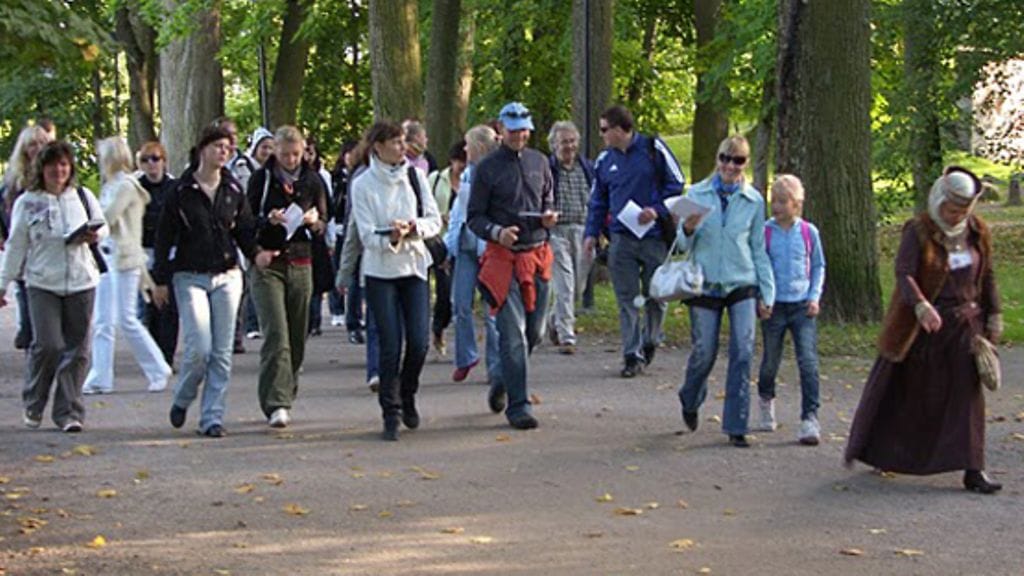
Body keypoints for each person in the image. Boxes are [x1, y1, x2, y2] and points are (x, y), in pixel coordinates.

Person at [845, 167, 1003, 494]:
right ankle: (884, 452)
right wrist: (920, 305)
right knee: (907, 392)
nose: (957, 215)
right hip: (926, 328)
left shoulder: (976, 231)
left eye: (963, 209)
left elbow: (987, 275)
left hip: (965, 329)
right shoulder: (918, 231)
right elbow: (904, 274)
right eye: (952, 208)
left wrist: (995, 313)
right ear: (939, 200)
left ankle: (974, 469)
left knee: (968, 397)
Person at [152, 125, 264, 438]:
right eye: (218, 146)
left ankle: (212, 417)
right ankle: (184, 396)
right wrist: (160, 279)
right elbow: (164, 238)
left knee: (222, 351)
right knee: (199, 349)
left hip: (228, 275)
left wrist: (256, 253)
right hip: (189, 276)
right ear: (202, 149)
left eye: (228, 147)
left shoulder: (233, 189)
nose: (224, 152)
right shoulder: (181, 191)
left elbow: (244, 229)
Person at [676, 135, 775, 448]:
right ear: (717, 159)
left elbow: (759, 248)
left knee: (743, 351)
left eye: (738, 160)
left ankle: (736, 424)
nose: (730, 166)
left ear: (746, 164)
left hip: (742, 282)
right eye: (725, 158)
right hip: (704, 283)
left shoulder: (755, 201)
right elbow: (680, 245)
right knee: (704, 350)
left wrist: (767, 292)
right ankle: (690, 398)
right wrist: (688, 228)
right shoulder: (696, 193)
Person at [0, 141, 105, 432]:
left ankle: (69, 411)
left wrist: (94, 236)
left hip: (82, 280)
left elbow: (103, 227)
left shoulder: (82, 197)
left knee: (78, 349)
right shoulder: (28, 202)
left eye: (64, 165)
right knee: (48, 344)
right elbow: (16, 244)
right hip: (42, 282)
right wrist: (3, 283)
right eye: (52, 165)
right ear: (42, 169)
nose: (58, 170)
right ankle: (34, 401)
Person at [467, 102, 557, 430]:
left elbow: (548, 199)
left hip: (537, 256)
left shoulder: (540, 162)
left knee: (536, 331)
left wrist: (549, 217)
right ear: (501, 130)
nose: (518, 135)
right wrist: (497, 233)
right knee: (513, 336)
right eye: (512, 129)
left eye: (523, 129)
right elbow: (474, 217)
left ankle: (504, 378)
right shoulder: (487, 168)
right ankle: (518, 406)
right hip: (502, 262)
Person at [351, 121, 441, 441]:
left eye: (404, 142)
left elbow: (434, 221)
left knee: (418, 342)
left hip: (414, 267)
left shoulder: (415, 178)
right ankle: (390, 411)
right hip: (380, 272)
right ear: (378, 146)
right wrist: (389, 235)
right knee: (390, 345)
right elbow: (365, 234)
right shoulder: (362, 185)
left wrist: (413, 227)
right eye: (395, 142)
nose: (402, 147)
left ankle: (408, 392)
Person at [583, 105, 685, 378]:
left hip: (653, 237)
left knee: (656, 295)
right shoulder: (605, 160)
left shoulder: (653, 149)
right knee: (626, 298)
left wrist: (657, 209)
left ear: (619, 129)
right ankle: (631, 353)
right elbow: (597, 200)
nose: (602, 135)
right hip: (620, 238)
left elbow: (677, 183)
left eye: (605, 129)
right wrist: (591, 234)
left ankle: (650, 339)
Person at [247, 126, 328, 428]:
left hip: (302, 261)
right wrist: (267, 220)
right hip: (269, 264)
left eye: (296, 154)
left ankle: (286, 387)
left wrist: (314, 220)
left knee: (296, 335)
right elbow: (245, 221)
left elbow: (323, 220)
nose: (291, 160)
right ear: (274, 152)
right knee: (276, 335)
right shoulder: (262, 180)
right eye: (284, 154)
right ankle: (275, 402)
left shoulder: (313, 180)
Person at [82, 137, 172, 395]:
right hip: (108, 258)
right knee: (104, 321)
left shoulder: (125, 186)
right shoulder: (112, 185)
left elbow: (107, 218)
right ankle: (101, 376)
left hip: (124, 259)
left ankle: (157, 367)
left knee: (126, 319)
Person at [754, 175, 826, 444]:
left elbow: (818, 266)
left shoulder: (809, 232)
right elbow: (759, 268)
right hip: (774, 307)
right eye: (774, 201)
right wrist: (762, 299)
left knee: (808, 361)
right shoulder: (765, 232)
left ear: (797, 204)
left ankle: (810, 417)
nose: (778, 207)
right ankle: (765, 400)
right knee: (770, 360)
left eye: (783, 201)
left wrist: (814, 296)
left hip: (802, 307)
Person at [444, 126, 502, 392]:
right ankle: (466, 356)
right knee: (460, 303)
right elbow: (459, 211)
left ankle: (496, 365)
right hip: (464, 246)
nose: (464, 150)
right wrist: (449, 245)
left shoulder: (496, 172)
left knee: (491, 311)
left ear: (480, 146)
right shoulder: (467, 174)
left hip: (487, 248)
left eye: (468, 145)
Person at [2, 125, 55, 349]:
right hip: (25, 257)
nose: (38, 148)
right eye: (32, 144)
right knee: (29, 316)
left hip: (51, 256)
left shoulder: (57, 176)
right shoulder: (14, 183)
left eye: (42, 142)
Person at [546, 121, 595, 355]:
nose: (569, 146)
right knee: (564, 283)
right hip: (557, 232)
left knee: (578, 286)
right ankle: (567, 335)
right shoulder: (548, 169)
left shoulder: (587, 167)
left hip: (583, 231)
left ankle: (552, 319)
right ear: (554, 144)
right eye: (564, 141)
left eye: (572, 141)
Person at [137, 141, 180, 367]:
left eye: (155, 158)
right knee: (151, 308)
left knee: (170, 308)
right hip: (144, 253)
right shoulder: (135, 187)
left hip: (171, 253)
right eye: (145, 160)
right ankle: (155, 356)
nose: (151, 164)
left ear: (164, 161)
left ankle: (167, 356)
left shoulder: (175, 187)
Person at [425, 140, 467, 358]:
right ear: (452, 160)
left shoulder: (471, 181)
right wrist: (441, 218)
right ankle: (436, 330)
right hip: (437, 242)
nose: (463, 166)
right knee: (443, 290)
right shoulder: (435, 180)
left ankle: (440, 326)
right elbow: (425, 207)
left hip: (460, 243)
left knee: (452, 295)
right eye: (460, 161)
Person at [302, 135, 335, 337]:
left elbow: (327, 209)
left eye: (308, 152)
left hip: (313, 240)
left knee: (314, 283)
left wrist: (320, 222)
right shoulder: (271, 176)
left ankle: (314, 320)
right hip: (285, 244)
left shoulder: (317, 179)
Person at [328, 140, 358, 328]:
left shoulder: (361, 176)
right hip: (338, 226)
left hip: (352, 228)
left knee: (353, 270)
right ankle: (337, 308)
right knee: (337, 267)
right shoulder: (336, 177)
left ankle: (354, 313)